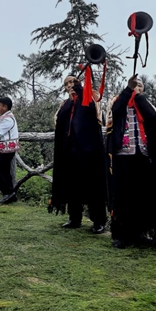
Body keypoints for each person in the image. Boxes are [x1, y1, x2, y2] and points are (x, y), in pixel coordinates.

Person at [105, 75, 156, 248]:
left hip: (143, 154)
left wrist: (137, 96)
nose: (137, 88)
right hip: (123, 155)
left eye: (140, 86)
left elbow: (152, 117)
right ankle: (121, 235)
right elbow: (116, 112)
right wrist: (128, 92)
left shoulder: (145, 104)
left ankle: (139, 234)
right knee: (123, 196)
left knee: (141, 196)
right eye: (134, 86)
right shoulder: (117, 101)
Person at [48, 75, 107, 233]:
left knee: (93, 186)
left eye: (72, 82)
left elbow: (96, 114)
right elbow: (59, 124)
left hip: (89, 152)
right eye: (66, 83)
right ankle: (74, 218)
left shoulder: (90, 97)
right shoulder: (64, 104)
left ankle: (98, 221)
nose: (69, 85)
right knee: (72, 186)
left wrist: (81, 92)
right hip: (70, 152)